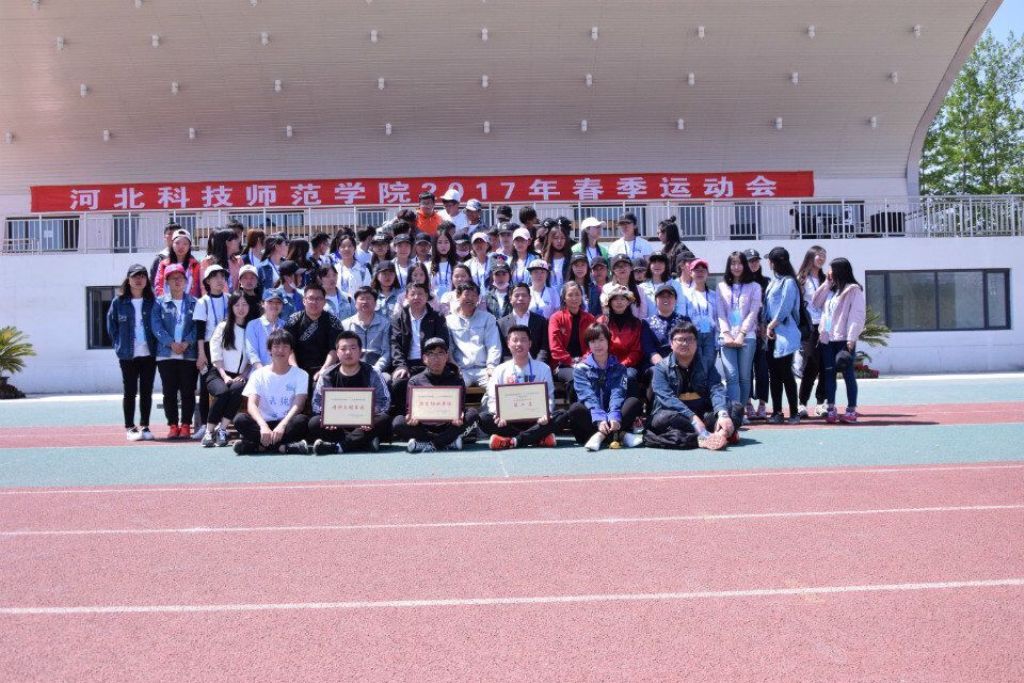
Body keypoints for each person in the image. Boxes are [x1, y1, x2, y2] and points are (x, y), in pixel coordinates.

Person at [648, 322, 745, 450]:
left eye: (689, 339)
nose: (685, 343)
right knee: (661, 419)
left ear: (696, 343)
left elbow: (716, 389)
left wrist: (722, 414)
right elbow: (667, 398)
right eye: (680, 339)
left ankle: (718, 435)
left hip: (703, 414)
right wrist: (692, 417)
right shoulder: (661, 368)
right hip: (679, 416)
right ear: (671, 344)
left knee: (735, 408)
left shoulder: (706, 364)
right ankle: (715, 435)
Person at [307, 331, 392, 455]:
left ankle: (339, 446)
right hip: (338, 425)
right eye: (343, 349)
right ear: (337, 353)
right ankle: (363, 442)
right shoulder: (327, 375)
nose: (348, 352)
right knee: (314, 422)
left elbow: (384, 401)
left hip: (365, 424)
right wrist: (328, 418)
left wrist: (371, 414)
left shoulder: (372, 372)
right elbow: (316, 403)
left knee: (383, 419)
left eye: (353, 348)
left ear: (360, 351)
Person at [480, 325, 563, 450]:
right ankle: (538, 438)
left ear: (530, 344)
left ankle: (512, 440)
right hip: (508, 421)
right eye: (515, 340)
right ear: (508, 344)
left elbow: (549, 397)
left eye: (523, 340)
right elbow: (493, 398)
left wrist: (546, 413)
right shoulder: (499, 370)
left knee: (562, 415)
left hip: (536, 420)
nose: (519, 344)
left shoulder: (543, 368)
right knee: (483, 418)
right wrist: (498, 414)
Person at [392, 337, 480, 453]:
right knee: (398, 422)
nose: (436, 358)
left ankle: (429, 444)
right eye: (431, 354)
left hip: (448, 426)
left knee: (472, 414)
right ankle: (447, 442)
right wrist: (411, 418)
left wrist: (459, 415)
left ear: (446, 357)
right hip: (424, 427)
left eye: (440, 353)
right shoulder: (415, 381)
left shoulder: (456, 379)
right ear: (425, 359)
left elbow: (461, 408)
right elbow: (410, 411)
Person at [568, 323, 645, 451]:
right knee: (575, 408)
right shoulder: (580, 369)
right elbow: (587, 396)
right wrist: (599, 419)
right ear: (588, 344)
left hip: (613, 420)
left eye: (601, 340)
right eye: (593, 341)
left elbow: (618, 393)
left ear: (608, 341)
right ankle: (620, 435)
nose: (597, 345)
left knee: (633, 402)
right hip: (590, 422)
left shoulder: (619, 368)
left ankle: (601, 436)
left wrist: (614, 415)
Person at [233, 329, 310, 455]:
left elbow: (299, 405)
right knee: (240, 420)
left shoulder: (301, 374)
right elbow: (252, 405)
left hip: (286, 424)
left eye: (285, 346)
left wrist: (282, 425)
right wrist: (263, 426)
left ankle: (259, 446)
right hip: (262, 425)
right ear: (269, 350)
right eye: (276, 346)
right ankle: (283, 447)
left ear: (291, 351)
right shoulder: (258, 374)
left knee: (301, 421)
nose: (280, 350)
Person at [107, 263, 158, 441]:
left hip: (149, 353)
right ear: (128, 280)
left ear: (147, 280)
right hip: (127, 355)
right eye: (135, 276)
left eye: (142, 276)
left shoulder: (153, 301)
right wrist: (119, 345)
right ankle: (130, 427)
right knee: (129, 391)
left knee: (146, 391)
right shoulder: (118, 302)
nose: (139, 279)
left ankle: (145, 426)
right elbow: (111, 327)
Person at [811, 257, 866, 424]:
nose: (829, 272)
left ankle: (851, 410)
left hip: (844, 339)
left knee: (848, 375)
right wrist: (827, 283)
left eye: (832, 269)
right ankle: (831, 408)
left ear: (840, 271)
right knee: (829, 373)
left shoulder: (853, 290)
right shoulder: (831, 290)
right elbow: (815, 302)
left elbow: (856, 316)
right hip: (827, 339)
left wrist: (851, 338)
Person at [150, 263, 198, 439]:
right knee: (169, 392)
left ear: (186, 281)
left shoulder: (194, 302)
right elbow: (156, 326)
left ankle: (185, 425)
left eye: (180, 278)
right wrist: (170, 343)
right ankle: (172, 425)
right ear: (167, 282)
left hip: (188, 354)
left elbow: (198, 326)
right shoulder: (159, 302)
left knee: (188, 391)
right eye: (173, 278)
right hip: (166, 354)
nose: (177, 281)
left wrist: (187, 342)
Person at [390, 281, 449, 414]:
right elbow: (395, 345)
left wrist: (432, 362)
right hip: (407, 364)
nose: (416, 297)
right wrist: (401, 366)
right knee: (398, 383)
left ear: (427, 296)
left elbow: (442, 343)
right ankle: (404, 418)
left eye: (420, 294)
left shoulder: (437, 317)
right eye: (413, 294)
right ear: (406, 297)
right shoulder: (398, 318)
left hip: (431, 362)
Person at [202, 293, 252, 447]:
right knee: (222, 392)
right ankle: (209, 431)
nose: (241, 308)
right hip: (218, 372)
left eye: (244, 304)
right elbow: (215, 352)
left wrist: (244, 374)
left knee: (237, 390)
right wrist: (224, 376)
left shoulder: (252, 328)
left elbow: (252, 357)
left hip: (240, 375)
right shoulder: (223, 326)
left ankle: (222, 429)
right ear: (231, 307)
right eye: (237, 305)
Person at [283, 281, 345, 401]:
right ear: (304, 301)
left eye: (318, 299)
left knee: (321, 384)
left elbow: (334, 350)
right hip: (297, 366)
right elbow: (288, 347)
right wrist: (295, 369)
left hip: (325, 367)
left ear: (324, 302)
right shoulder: (293, 320)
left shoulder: (333, 321)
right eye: (311, 298)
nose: (314, 302)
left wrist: (324, 370)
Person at [717, 251, 762, 416]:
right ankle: (734, 413)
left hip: (747, 337)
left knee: (744, 377)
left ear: (745, 265)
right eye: (733, 263)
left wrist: (742, 333)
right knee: (731, 376)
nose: (736, 267)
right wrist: (726, 333)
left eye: (740, 263)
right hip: (726, 337)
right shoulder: (721, 286)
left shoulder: (755, 286)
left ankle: (740, 412)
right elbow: (720, 312)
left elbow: (753, 312)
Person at [762, 247, 802, 424]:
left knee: (786, 374)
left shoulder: (788, 282)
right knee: (774, 375)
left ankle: (794, 413)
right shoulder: (774, 281)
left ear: (773, 263)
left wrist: (772, 324)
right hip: (771, 335)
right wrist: (766, 326)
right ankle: (777, 412)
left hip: (784, 334)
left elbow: (786, 306)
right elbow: (767, 307)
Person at [192, 264, 231, 440]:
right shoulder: (203, 302)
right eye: (215, 277)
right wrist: (201, 353)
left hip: (227, 346)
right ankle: (204, 425)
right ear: (207, 281)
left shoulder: (230, 299)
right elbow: (199, 331)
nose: (219, 280)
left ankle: (223, 425)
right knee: (206, 386)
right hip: (207, 348)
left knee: (225, 384)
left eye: (222, 276)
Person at [446, 281, 501, 395]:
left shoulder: (488, 318)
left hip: (484, 369)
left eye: (474, 295)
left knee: (497, 389)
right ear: (458, 296)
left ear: (478, 299)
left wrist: (491, 366)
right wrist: (454, 367)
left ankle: (488, 407)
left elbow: (493, 344)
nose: (470, 298)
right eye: (467, 294)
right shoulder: (449, 321)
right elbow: (449, 349)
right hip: (461, 369)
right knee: (453, 391)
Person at [548, 281, 597, 398]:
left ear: (582, 297)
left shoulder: (590, 318)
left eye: (577, 294)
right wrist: (571, 361)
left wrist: (583, 360)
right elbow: (555, 349)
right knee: (576, 378)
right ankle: (577, 409)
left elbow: (594, 344)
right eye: (570, 295)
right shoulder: (556, 318)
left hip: (586, 363)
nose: (574, 298)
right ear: (564, 298)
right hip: (562, 366)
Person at [796, 245, 829, 417]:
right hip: (809, 326)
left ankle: (821, 403)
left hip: (826, 326)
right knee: (810, 362)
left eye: (824, 255)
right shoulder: (801, 279)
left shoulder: (827, 279)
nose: (822, 258)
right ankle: (802, 403)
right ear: (810, 257)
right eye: (818, 255)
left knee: (825, 365)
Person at [598, 285, 644, 387]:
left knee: (629, 376)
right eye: (615, 299)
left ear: (628, 302)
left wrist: (622, 365)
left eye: (623, 299)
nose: (619, 302)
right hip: (604, 365)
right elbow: (596, 346)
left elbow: (636, 351)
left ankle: (630, 398)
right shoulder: (602, 322)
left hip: (628, 366)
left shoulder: (636, 323)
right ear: (609, 302)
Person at [342, 286, 391, 381]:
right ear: (355, 303)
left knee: (387, 379)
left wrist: (376, 369)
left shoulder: (385, 324)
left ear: (375, 303)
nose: (365, 302)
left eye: (368, 298)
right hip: (352, 365)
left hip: (377, 367)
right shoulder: (345, 325)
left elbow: (387, 352)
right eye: (361, 299)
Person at [679, 258, 719, 372]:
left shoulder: (714, 295)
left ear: (707, 274)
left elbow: (718, 317)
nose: (700, 273)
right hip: (692, 334)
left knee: (709, 366)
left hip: (710, 335)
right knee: (695, 368)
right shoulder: (684, 294)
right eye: (696, 270)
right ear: (691, 273)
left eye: (703, 270)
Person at [746, 248, 771, 420]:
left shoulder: (767, 282)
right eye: (750, 260)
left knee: (762, 369)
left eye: (756, 260)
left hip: (763, 332)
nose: (753, 263)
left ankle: (762, 403)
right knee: (746, 370)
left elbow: (770, 306)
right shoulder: (741, 283)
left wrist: (766, 325)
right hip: (746, 331)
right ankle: (747, 403)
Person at [497, 283, 550, 364]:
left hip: (536, 366)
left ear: (530, 298)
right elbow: (503, 351)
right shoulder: (501, 324)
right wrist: (512, 366)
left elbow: (544, 348)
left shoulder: (541, 321)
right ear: (510, 299)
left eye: (524, 295)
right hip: (511, 367)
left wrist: (537, 366)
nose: (520, 298)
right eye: (517, 295)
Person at [641, 283, 687, 368]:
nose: (665, 299)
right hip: (656, 365)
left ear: (675, 300)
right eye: (662, 296)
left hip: (680, 363)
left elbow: (689, 344)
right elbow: (649, 349)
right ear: (656, 300)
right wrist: (664, 367)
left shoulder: (685, 321)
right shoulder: (647, 323)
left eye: (669, 296)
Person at [154, 228, 202, 298]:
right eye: (177, 243)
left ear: (189, 246)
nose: (181, 246)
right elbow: (159, 285)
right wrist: (164, 301)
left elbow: (196, 286)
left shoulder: (195, 265)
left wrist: (190, 301)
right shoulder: (163, 264)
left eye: (185, 244)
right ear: (172, 244)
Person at [245, 288, 285, 370]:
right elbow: (252, 353)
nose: (274, 305)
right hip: (259, 372)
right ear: (262, 304)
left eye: (278, 302)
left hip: (281, 372)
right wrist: (263, 373)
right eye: (270, 302)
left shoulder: (285, 325)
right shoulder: (253, 325)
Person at [200, 228, 243, 293]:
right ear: (228, 243)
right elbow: (204, 288)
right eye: (236, 239)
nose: (239, 241)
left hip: (235, 299)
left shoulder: (238, 261)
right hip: (215, 299)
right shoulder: (207, 262)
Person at [604, 254, 647, 318]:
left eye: (625, 265)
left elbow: (643, 313)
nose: (622, 268)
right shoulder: (607, 288)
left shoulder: (639, 290)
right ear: (613, 270)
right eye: (618, 266)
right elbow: (605, 312)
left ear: (631, 268)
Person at [333, 232, 371, 297]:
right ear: (338, 250)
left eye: (350, 246)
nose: (346, 249)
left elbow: (367, 292)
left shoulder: (363, 270)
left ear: (354, 248)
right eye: (343, 246)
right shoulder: (334, 270)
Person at [541, 222, 573, 292]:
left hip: (566, 295)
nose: (559, 241)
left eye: (563, 238)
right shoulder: (544, 259)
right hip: (549, 295)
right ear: (551, 239)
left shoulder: (571, 258)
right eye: (556, 238)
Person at [428, 229, 457, 299]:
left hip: (452, 301)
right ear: (435, 245)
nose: (443, 246)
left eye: (446, 242)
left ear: (451, 244)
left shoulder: (457, 265)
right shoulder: (428, 265)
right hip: (434, 302)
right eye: (440, 242)